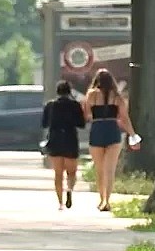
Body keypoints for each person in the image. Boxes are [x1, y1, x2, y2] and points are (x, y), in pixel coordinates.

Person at [83, 68, 141, 212]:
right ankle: (107, 201)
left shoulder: (91, 94)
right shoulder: (117, 97)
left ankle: (101, 198)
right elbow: (124, 118)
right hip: (112, 131)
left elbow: (86, 113)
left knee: (100, 169)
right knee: (110, 169)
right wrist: (133, 135)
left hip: (97, 130)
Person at [42, 80, 86, 210]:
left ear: (57, 92)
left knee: (58, 173)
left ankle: (60, 202)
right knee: (71, 172)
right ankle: (70, 190)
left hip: (55, 140)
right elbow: (81, 124)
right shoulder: (75, 105)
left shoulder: (50, 106)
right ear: (69, 91)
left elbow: (44, 124)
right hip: (70, 140)